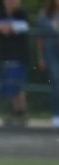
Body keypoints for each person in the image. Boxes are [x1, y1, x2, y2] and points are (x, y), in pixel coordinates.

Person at [0, 0, 31, 126]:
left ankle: (21, 112)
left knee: (17, 86)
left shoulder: (22, 14)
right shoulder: (0, 15)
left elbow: (24, 26)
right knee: (10, 86)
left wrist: (8, 27)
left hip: (19, 57)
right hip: (5, 58)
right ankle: (16, 112)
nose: (11, 2)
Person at [36, 0, 59, 129]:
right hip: (51, 51)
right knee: (56, 82)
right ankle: (56, 114)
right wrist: (40, 57)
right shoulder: (44, 14)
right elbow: (40, 38)